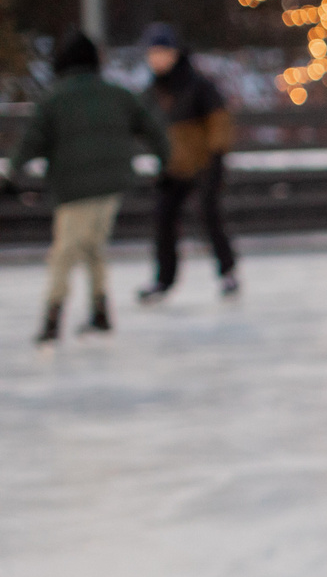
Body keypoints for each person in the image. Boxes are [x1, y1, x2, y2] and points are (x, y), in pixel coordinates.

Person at [5, 30, 169, 344]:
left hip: (73, 187)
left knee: (65, 251)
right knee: (93, 246)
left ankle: (52, 316)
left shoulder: (55, 98)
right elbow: (151, 127)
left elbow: (31, 140)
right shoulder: (116, 94)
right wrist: (165, 160)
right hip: (111, 184)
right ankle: (100, 310)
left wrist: (12, 174)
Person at [136, 24, 240, 302]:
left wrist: (216, 157)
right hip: (174, 168)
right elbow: (145, 125)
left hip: (204, 163)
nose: (158, 59)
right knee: (163, 218)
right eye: (153, 54)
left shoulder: (197, 85)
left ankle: (228, 272)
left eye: (163, 53)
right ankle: (164, 279)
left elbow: (219, 121)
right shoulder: (153, 91)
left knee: (209, 215)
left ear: (175, 53)